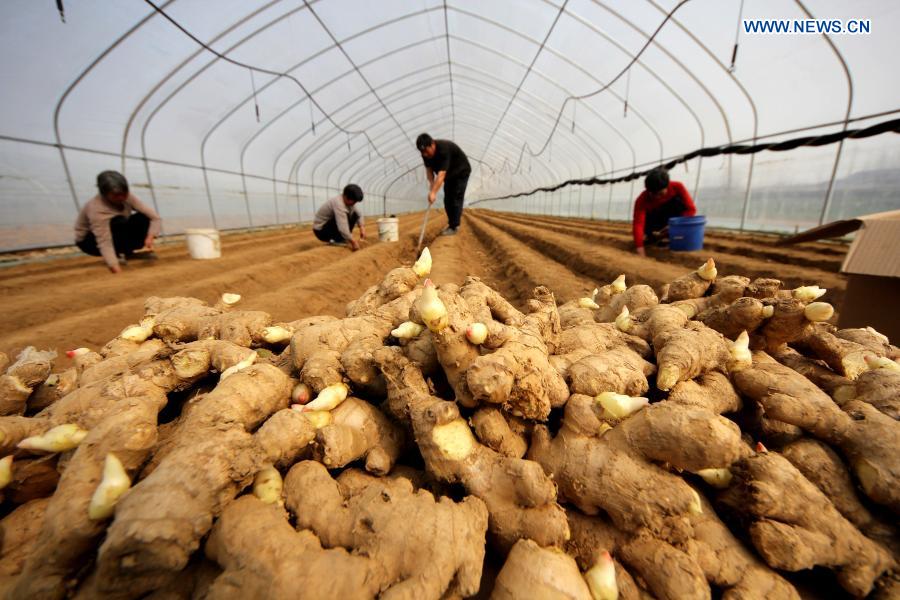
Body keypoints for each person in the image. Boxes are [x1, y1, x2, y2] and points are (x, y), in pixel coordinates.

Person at [74, 170, 161, 274]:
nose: (121, 198)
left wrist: (150, 237)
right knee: (118, 221)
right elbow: (104, 242)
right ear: (104, 193)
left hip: (116, 230)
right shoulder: (96, 208)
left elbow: (155, 218)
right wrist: (114, 267)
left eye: (124, 194)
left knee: (143, 218)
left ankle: (127, 252)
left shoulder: (127, 196)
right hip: (89, 242)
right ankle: (116, 255)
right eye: (116, 195)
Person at [632, 167, 696, 256]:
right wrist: (639, 247)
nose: (657, 197)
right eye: (653, 194)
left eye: (661, 193)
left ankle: (673, 237)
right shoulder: (642, 199)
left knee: (678, 202)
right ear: (648, 190)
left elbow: (691, 209)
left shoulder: (677, 187)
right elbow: (638, 223)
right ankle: (655, 238)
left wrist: (675, 225)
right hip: (655, 225)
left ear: (667, 185)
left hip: (674, 221)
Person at [417, 133, 471, 236]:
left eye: (426, 151)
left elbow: (441, 174)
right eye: (422, 152)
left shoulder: (443, 149)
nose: (425, 154)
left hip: (461, 172)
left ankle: (454, 226)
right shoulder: (425, 154)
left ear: (432, 144)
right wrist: (432, 184)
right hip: (450, 175)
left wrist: (433, 192)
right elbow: (429, 170)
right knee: (447, 200)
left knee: (455, 197)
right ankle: (452, 224)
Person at [312, 184, 367, 251]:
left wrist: (362, 227)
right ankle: (336, 240)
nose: (354, 203)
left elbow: (359, 214)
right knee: (344, 217)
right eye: (354, 201)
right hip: (321, 230)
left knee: (354, 214)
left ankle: (340, 239)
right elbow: (342, 227)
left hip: (329, 226)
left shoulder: (349, 203)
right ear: (346, 196)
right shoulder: (338, 204)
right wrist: (353, 241)